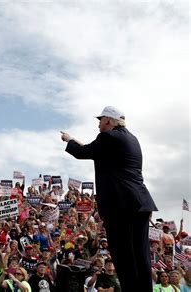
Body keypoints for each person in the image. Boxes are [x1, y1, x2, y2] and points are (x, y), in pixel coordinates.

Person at [61, 105, 158, 291]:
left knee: (124, 256)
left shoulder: (109, 137)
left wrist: (68, 140)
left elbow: (84, 152)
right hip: (139, 203)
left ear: (108, 120)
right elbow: (93, 150)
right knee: (140, 256)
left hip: (121, 206)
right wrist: (77, 141)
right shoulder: (130, 138)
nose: (98, 125)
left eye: (100, 120)